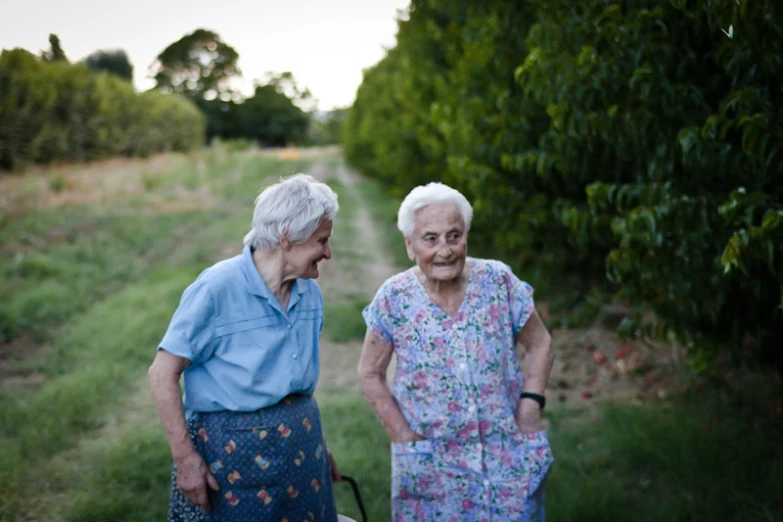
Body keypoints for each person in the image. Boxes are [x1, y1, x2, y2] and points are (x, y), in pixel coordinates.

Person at [148, 173, 342, 522]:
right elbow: (162, 373)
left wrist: (316, 446)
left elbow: (294, 385)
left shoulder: (308, 290)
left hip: (303, 449)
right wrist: (185, 459)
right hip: (233, 459)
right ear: (286, 237)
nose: (327, 253)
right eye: (321, 240)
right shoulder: (217, 288)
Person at [357, 182, 555, 521]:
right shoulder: (395, 297)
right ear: (409, 245)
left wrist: (530, 406)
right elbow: (369, 373)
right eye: (430, 239)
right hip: (432, 461)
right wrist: (402, 435)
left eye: (454, 235)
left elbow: (540, 343)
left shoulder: (499, 281)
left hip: (506, 452)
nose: (445, 250)